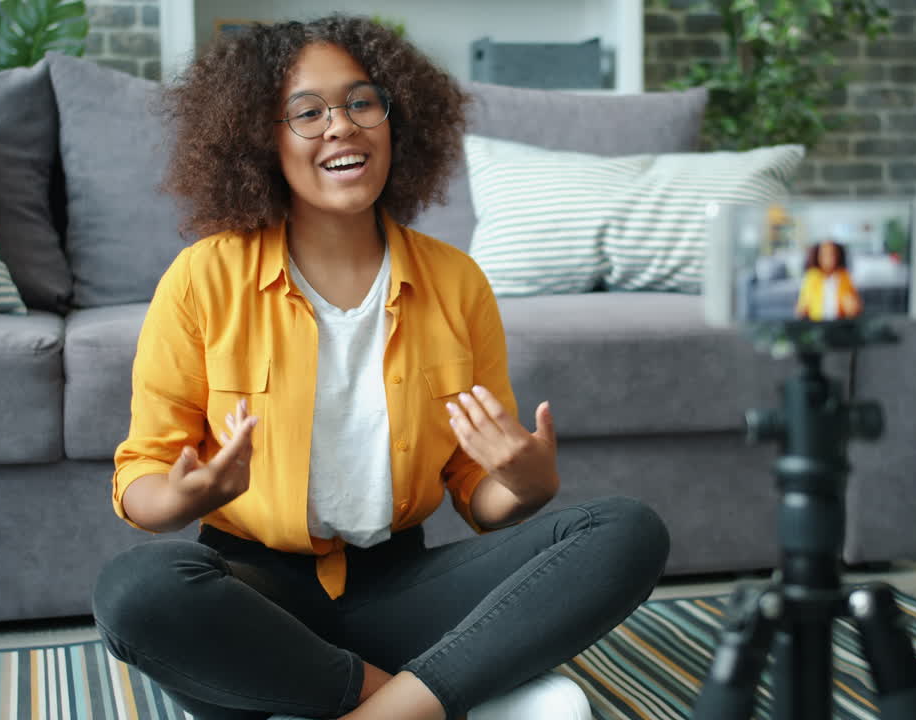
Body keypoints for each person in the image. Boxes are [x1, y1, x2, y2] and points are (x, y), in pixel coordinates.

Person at [91, 16, 670, 720]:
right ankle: (425, 697)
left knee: (626, 530)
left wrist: (524, 484)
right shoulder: (202, 278)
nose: (341, 126)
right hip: (254, 599)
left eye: (363, 102)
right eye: (307, 112)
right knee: (136, 594)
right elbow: (142, 475)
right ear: (259, 139)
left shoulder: (456, 283)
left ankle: (361, 702)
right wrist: (185, 497)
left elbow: (473, 487)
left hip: (402, 588)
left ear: (399, 120)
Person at [794, 240, 863, 321]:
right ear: (818, 256)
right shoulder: (812, 277)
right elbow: (801, 309)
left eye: (832, 253)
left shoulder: (844, 276)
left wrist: (851, 306)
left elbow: (854, 308)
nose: (829, 258)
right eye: (825, 254)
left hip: (839, 324)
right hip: (818, 324)